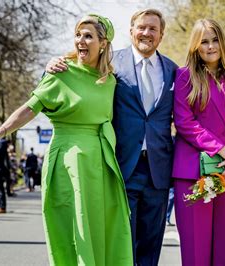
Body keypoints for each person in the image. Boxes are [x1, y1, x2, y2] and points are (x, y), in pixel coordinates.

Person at [0, 14, 133, 265]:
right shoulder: (60, 72)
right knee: (72, 228)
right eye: (78, 35)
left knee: (103, 228)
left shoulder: (110, 80)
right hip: (68, 162)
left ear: (103, 43)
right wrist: (0, 131)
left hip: (102, 164)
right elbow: (30, 107)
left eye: (88, 36)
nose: (81, 41)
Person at [46, 9, 177, 265]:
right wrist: (51, 65)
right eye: (141, 27)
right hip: (120, 169)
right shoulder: (110, 65)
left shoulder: (174, 70)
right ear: (131, 32)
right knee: (120, 246)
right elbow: (77, 69)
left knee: (151, 246)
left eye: (153, 29)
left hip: (158, 172)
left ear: (161, 35)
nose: (146, 33)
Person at [172, 18, 225, 265]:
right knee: (196, 250)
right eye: (204, 41)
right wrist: (222, 150)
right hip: (192, 172)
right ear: (196, 46)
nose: (210, 46)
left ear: (223, 42)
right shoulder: (184, 76)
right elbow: (185, 122)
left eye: (215, 40)